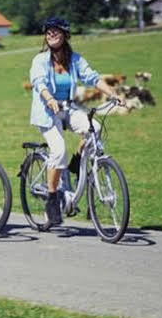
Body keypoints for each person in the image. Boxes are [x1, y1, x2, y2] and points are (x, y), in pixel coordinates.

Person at [29, 17, 125, 229]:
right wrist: (50, 99)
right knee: (58, 150)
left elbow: (93, 78)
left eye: (56, 31)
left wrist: (113, 94)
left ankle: (76, 160)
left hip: (69, 108)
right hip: (47, 111)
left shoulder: (74, 59)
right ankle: (52, 200)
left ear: (65, 35)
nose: (52, 35)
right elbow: (39, 83)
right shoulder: (40, 60)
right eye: (49, 32)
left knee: (95, 129)